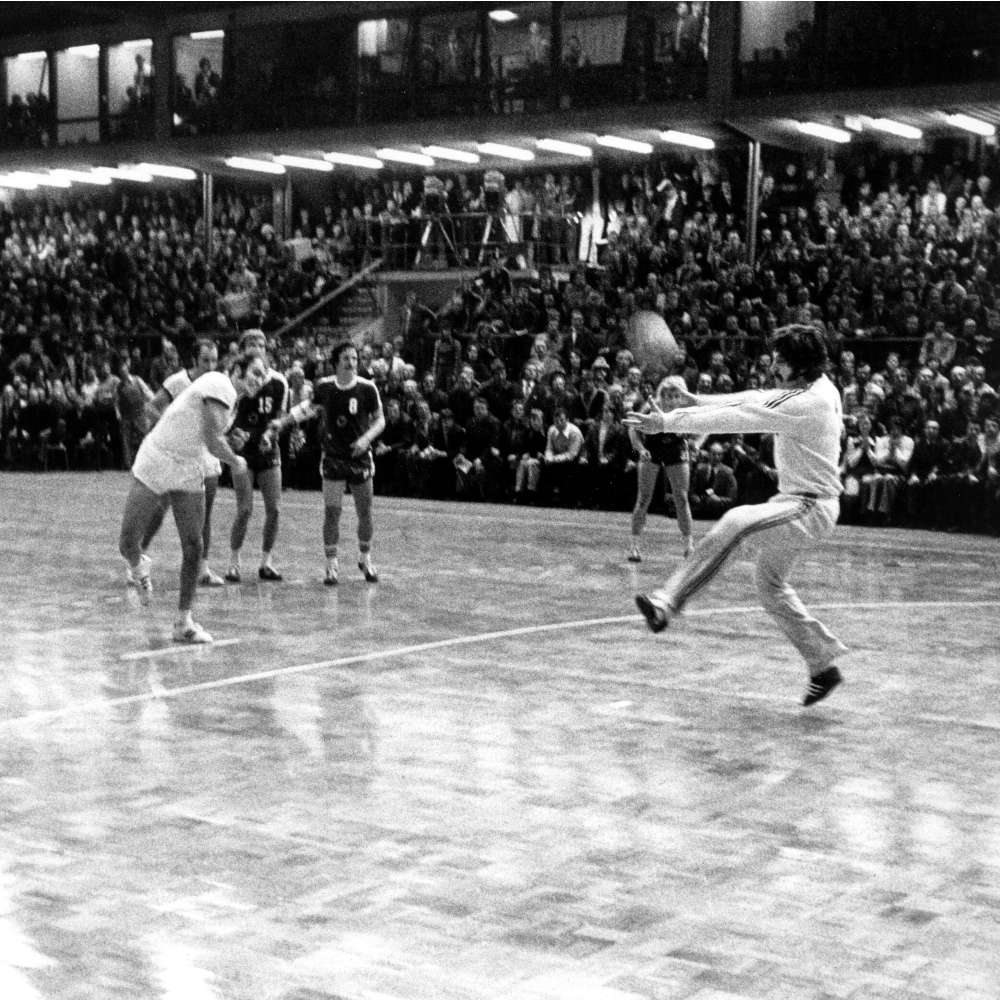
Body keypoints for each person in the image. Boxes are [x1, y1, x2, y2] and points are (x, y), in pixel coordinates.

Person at [625, 324, 849, 707]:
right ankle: (822, 664)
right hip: (796, 500)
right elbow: (757, 396)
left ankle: (667, 602)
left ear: (800, 365)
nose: (773, 364)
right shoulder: (818, 386)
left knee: (736, 522)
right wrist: (699, 400)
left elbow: (746, 414)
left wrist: (668, 422)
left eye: (781, 360)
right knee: (770, 586)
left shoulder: (808, 403)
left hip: (808, 506)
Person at [118, 359, 257, 644]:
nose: (260, 379)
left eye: (263, 375)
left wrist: (231, 441)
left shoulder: (233, 402)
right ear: (237, 371)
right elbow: (210, 438)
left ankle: (184, 622)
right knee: (127, 544)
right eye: (255, 372)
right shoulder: (220, 383)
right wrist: (236, 460)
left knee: (194, 546)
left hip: (188, 467)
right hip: (157, 457)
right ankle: (139, 568)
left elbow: (206, 432)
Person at [269, 341, 385, 585]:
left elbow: (380, 421)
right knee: (332, 513)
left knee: (365, 511)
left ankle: (365, 558)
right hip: (333, 457)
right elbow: (306, 409)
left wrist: (366, 439)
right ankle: (331, 566)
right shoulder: (325, 387)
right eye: (346, 358)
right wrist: (283, 422)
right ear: (336, 362)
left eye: (354, 358)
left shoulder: (367, 388)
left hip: (360, 458)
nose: (351, 362)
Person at [130, 337, 227, 587]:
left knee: (204, 515)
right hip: (174, 457)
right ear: (194, 359)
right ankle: (136, 561)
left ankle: (202, 568)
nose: (210, 365)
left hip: (204, 455)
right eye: (205, 360)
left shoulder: (217, 386)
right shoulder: (178, 381)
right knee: (158, 512)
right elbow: (151, 409)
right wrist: (172, 426)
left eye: (214, 360)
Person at [225, 329, 289, 583]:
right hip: (242, 450)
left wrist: (270, 435)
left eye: (261, 344)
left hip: (266, 447)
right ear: (242, 350)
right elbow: (226, 416)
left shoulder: (279, 382)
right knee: (245, 509)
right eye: (251, 344)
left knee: (274, 509)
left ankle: (266, 562)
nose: (256, 347)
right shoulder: (234, 380)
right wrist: (233, 436)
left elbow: (281, 417)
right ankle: (234, 562)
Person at [626, 375, 694, 561]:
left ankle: (689, 546)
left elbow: (705, 428)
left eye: (675, 396)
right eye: (667, 395)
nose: (671, 400)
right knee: (644, 498)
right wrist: (640, 449)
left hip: (676, 448)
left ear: (681, 396)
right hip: (653, 448)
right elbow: (633, 428)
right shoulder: (651, 407)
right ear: (661, 395)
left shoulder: (686, 409)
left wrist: (696, 443)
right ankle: (634, 546)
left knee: (681, 497)